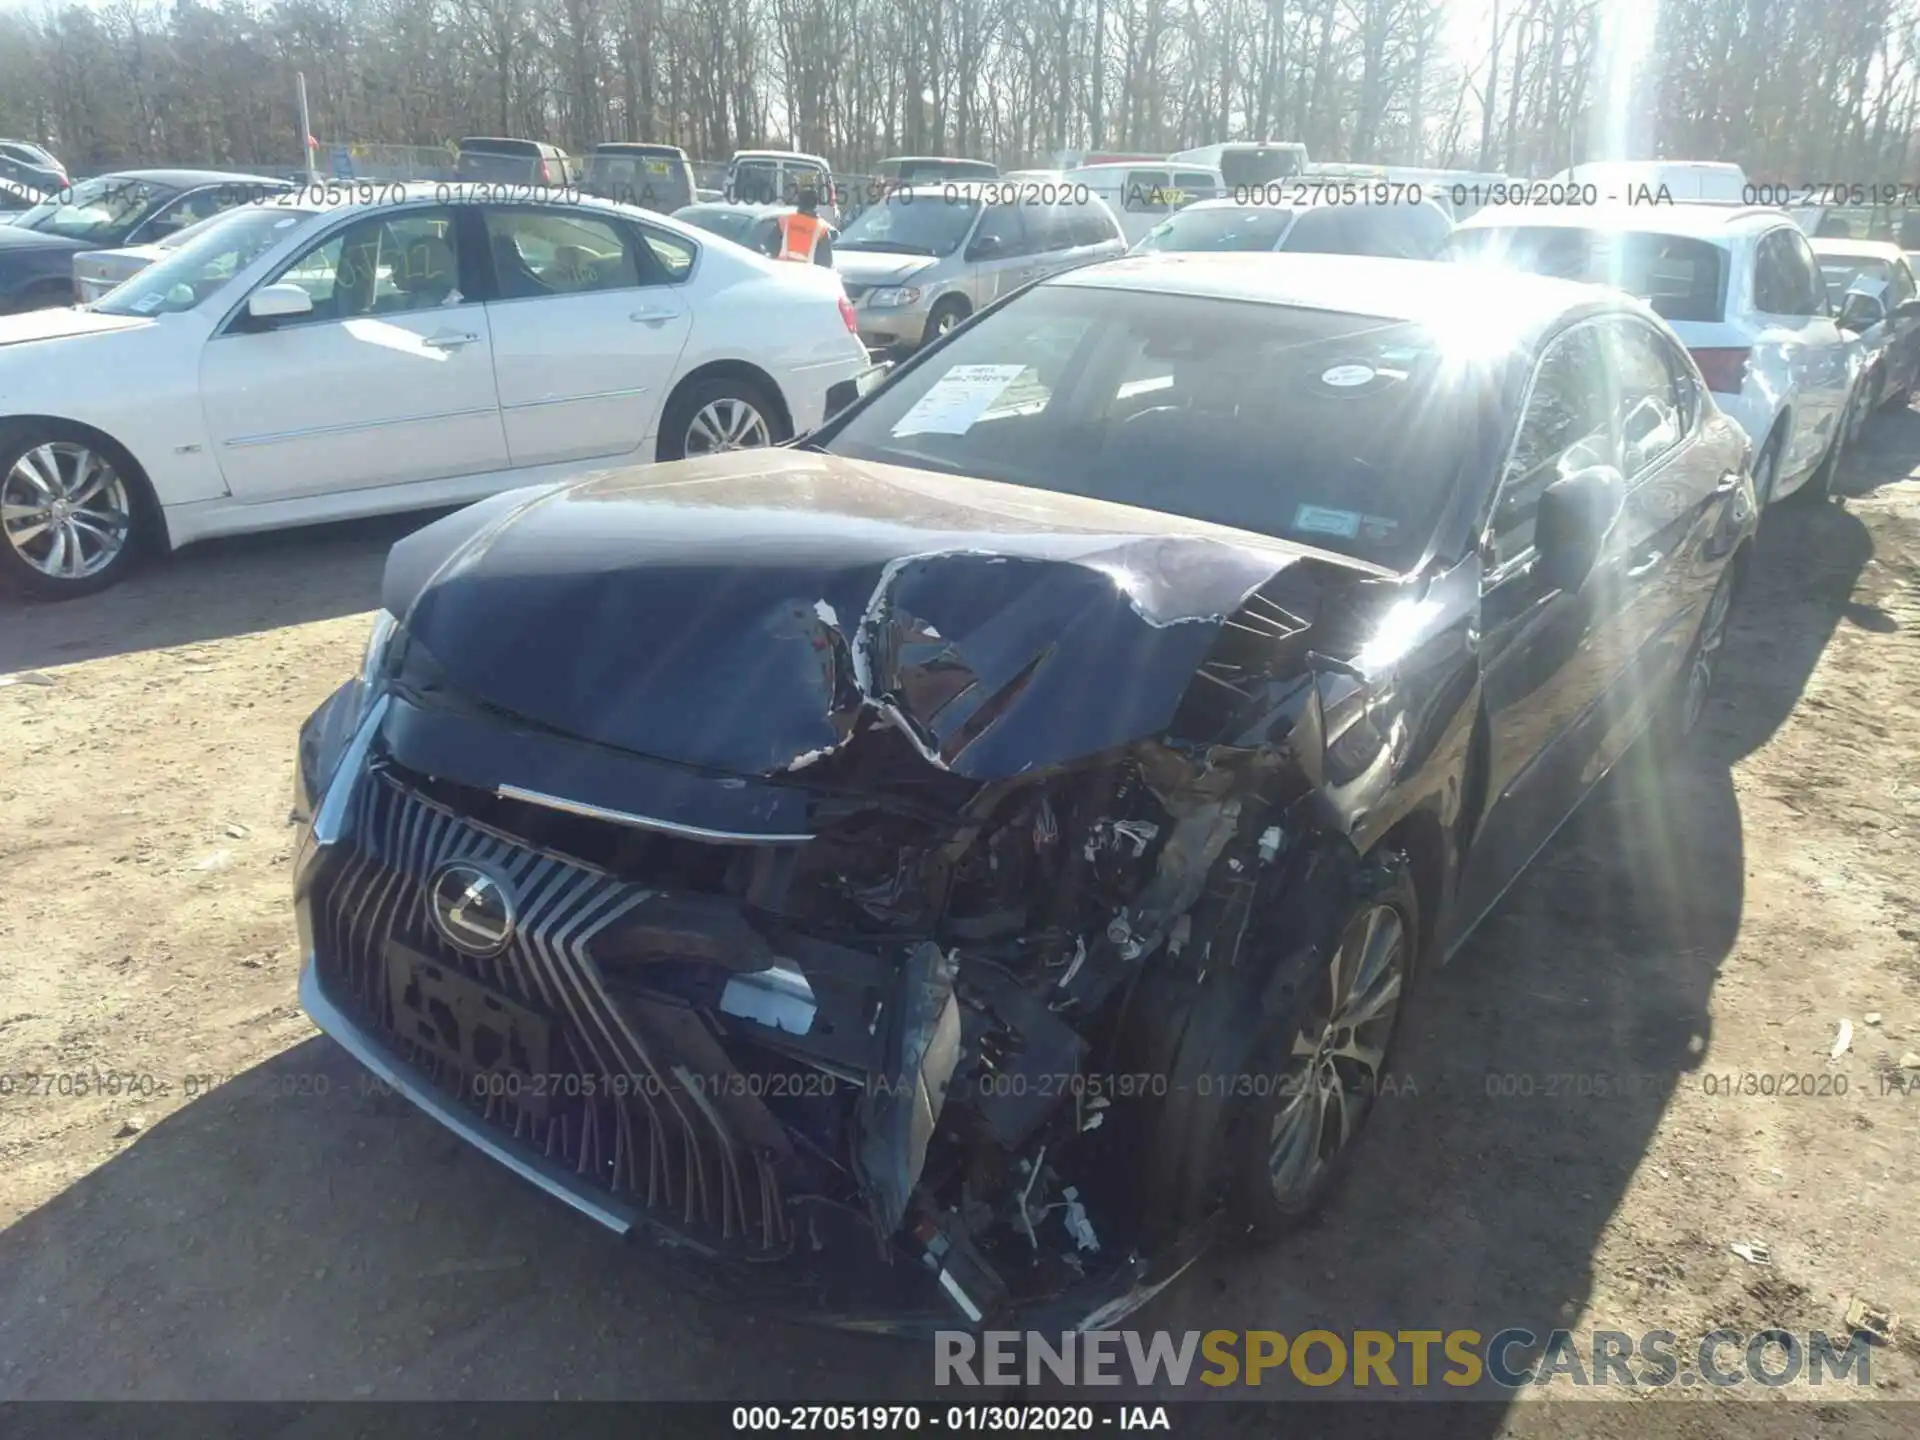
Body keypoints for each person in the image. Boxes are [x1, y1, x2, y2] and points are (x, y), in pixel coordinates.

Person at [774, 187, 834, 267]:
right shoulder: (821, 228)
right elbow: (826, 262)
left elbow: (770, 248)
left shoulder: (785, 221)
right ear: (815, 205)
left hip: (782, 271)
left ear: (799, 203)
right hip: (806, 275)